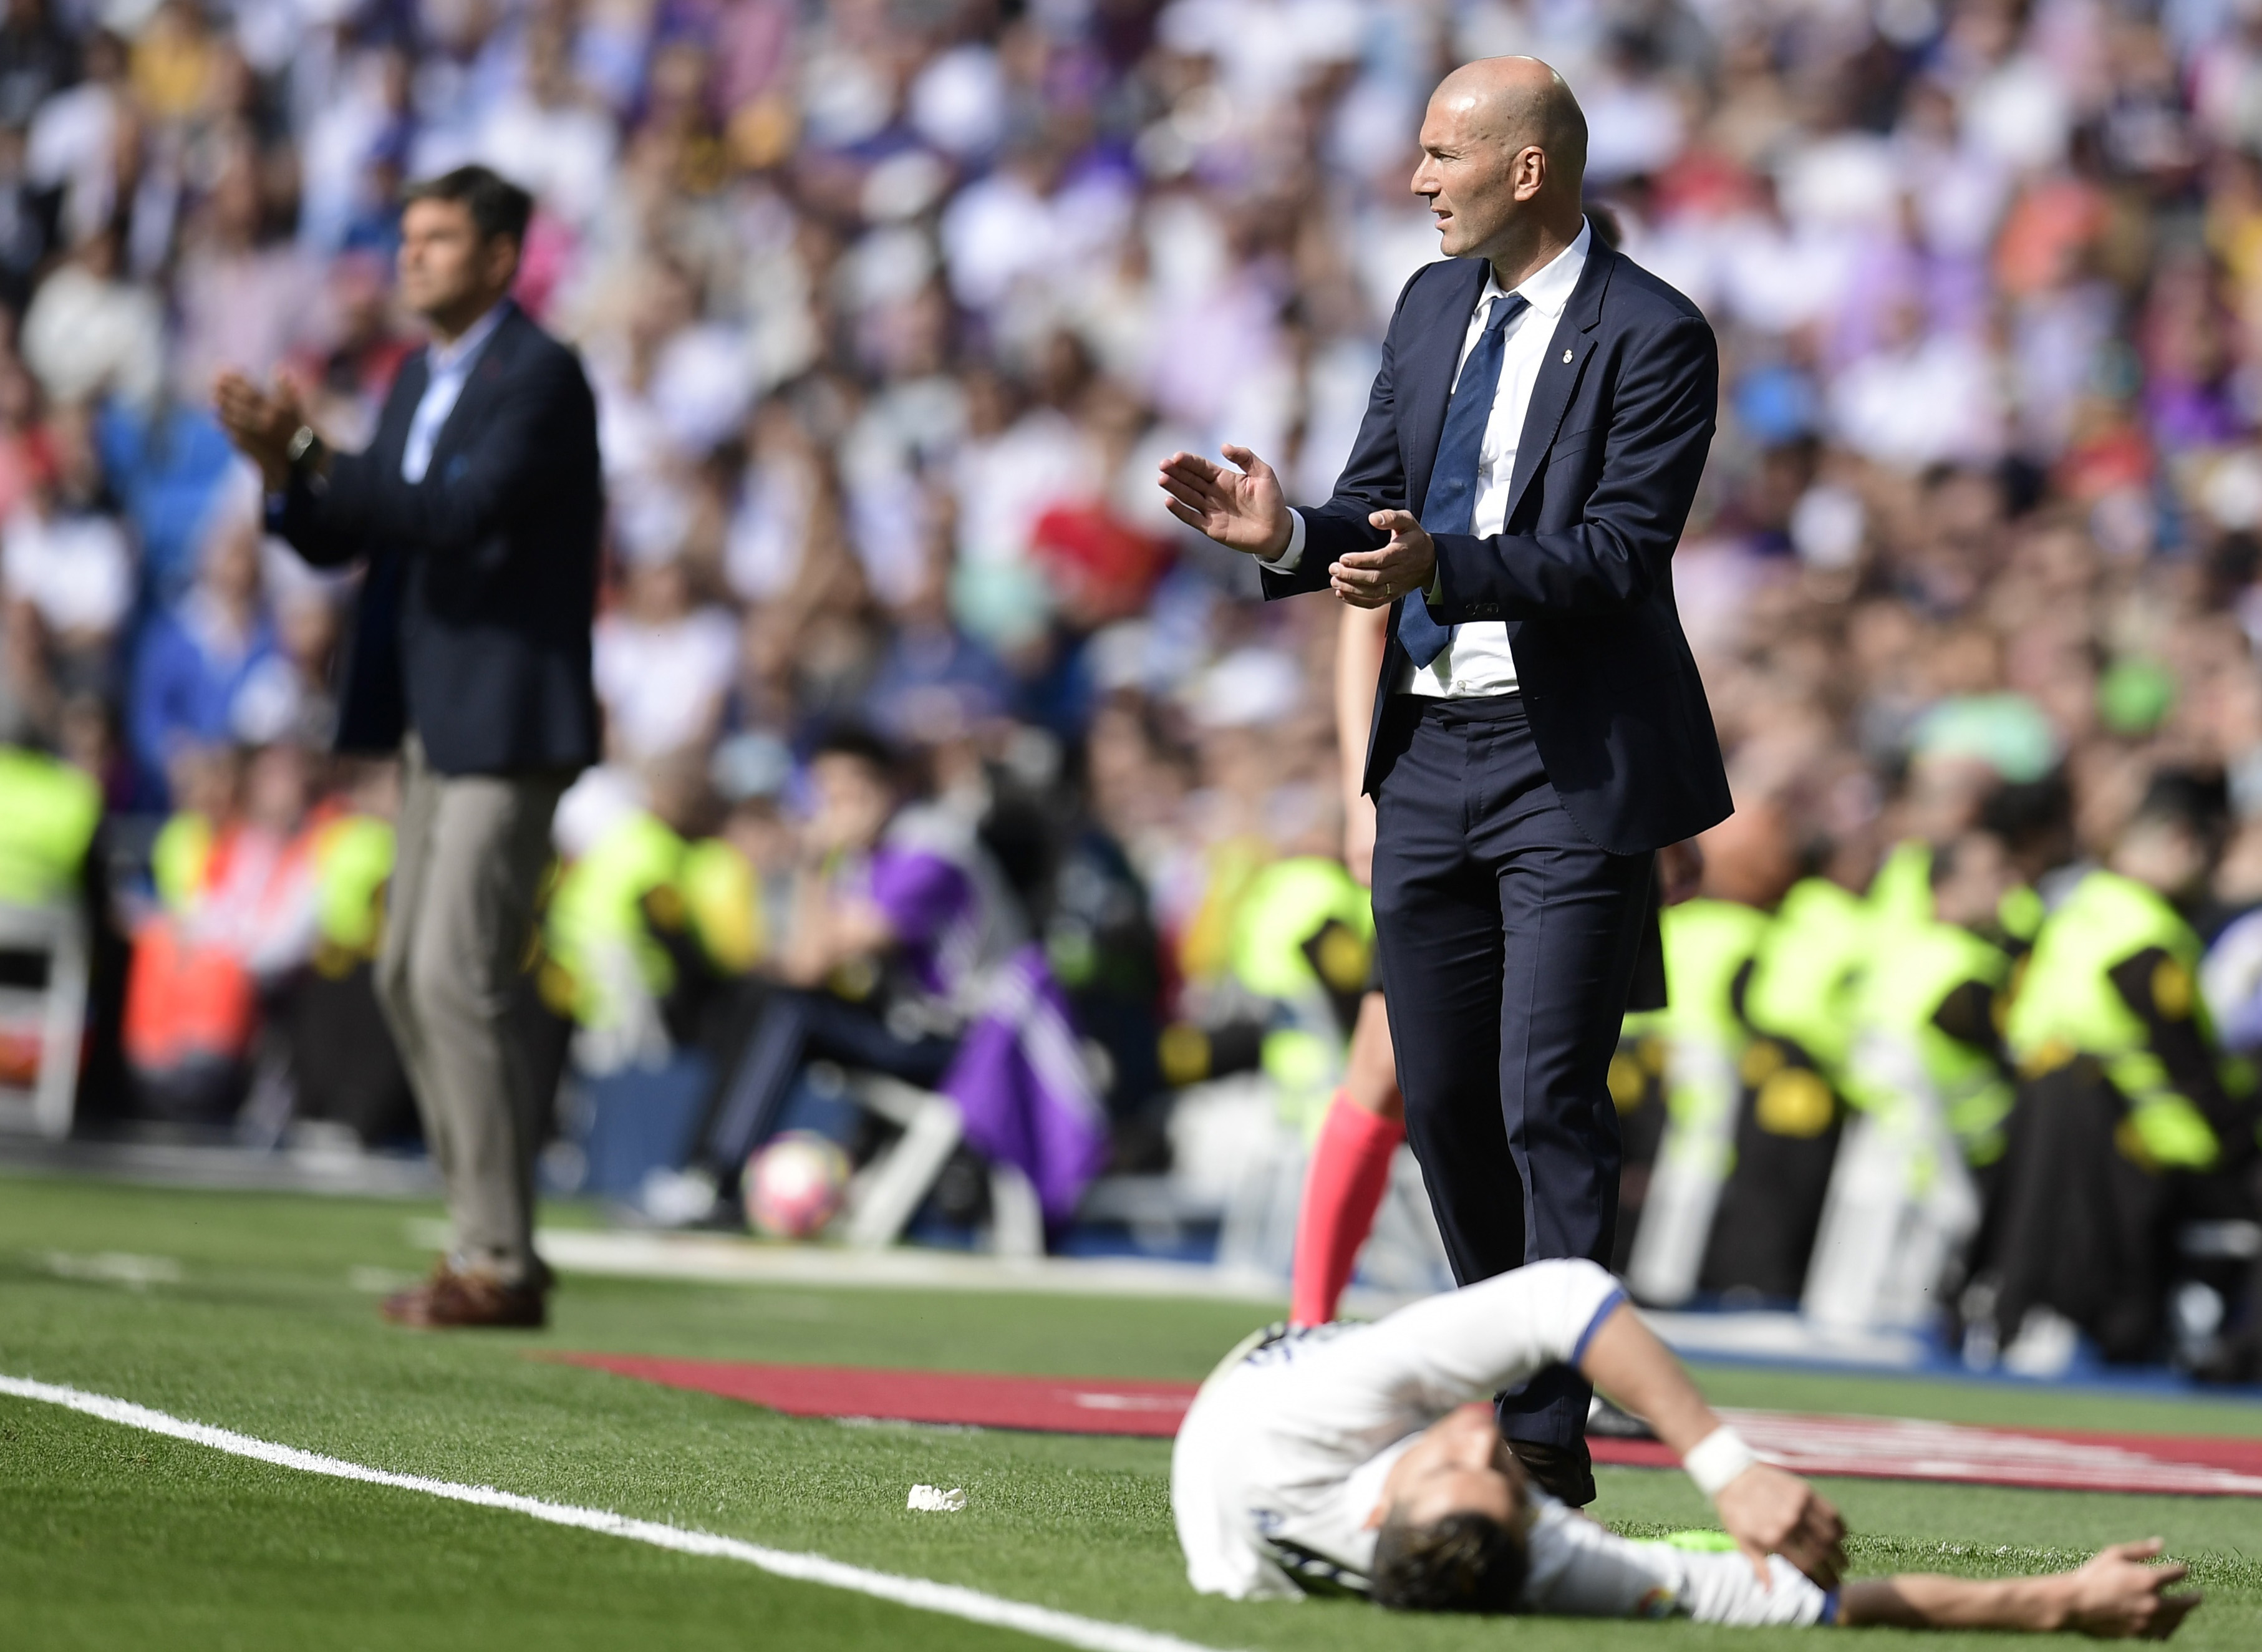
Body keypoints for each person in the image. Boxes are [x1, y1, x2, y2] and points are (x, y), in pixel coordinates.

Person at [1159, 56, 1723, 1502]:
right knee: (1451, 1102)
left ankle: (1541, 1430)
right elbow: (1374, 504)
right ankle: (1518, 1370)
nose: (1415, 180)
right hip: (1428, 757)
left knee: (1548, 1096)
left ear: (1524, 169)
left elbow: (1614, 554)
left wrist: (1441, 568)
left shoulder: (1654, 332)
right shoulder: (1424, 309)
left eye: (1439, 155)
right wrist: (1286, 536)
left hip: (1568, 770)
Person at [212, 164, 603, 1329]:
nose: (413, 256)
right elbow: (350, 533)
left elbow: (456, 512)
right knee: (403, 973)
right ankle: (481, 1238)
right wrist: (285, 469)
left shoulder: (540, 375)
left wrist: (323, 457)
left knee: (453, 972)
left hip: (507, 717)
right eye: (408, 238)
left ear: (499, 257)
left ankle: (498, 1255)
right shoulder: (414, 381)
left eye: (440, 239)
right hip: (438, 717)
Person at [1173, 1256, 2200, 1635]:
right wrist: (2061, 1598)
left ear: (1374, 1505)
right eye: (1509, 1490)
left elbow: (1562, 1292)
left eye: (1450, 1462)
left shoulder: (1316, 1417)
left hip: (1272, 1379)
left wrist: (1726, 1463)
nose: (1488, 1447)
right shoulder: (1530, 1561)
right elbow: (1824, 1607)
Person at [1969, 773, 2258, 1370]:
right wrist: (2240, 1140)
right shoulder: (2146, 937)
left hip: (2048, 1126)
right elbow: (2188, 1072)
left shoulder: (2080, 907)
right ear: (2181, 841)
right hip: (2135, 1153)